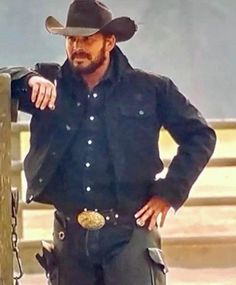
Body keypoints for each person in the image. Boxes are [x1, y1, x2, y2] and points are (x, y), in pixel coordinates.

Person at [1, 0, 216, 284]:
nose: (77, 47)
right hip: (70, 236)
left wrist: (170, 192)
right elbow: (3, 77)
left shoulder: (150, 88)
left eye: (87, 39)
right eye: (72, 39)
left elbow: (200, 135)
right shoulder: (48, 84)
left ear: (109, 41)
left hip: (130, 230)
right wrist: (26, 78)